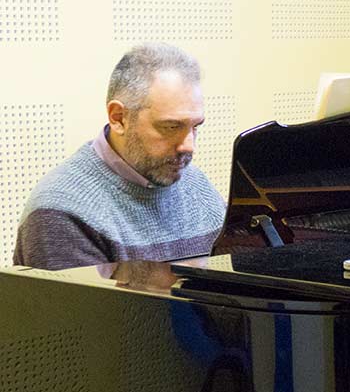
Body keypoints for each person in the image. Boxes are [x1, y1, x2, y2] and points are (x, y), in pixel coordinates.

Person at [12, 42, 225, 271]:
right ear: (118, 117)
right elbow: (95, 308)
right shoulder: (62, 212)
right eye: (172, 127)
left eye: (195, 127)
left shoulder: (198, 187)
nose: (189, 146)